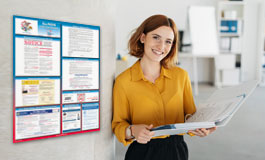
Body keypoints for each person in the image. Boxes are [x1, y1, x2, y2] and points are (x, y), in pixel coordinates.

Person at [112, 14, 216, 160]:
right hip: (142, 152)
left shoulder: (181, 76)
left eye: (168, 41)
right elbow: (118, 124)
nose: (161, 46)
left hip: (176, 151)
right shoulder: (124, 81)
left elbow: (191, 116)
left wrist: (201, 127)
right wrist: (132, 130)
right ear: (143, 38)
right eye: (156, 37)